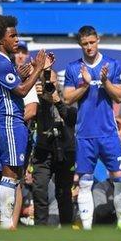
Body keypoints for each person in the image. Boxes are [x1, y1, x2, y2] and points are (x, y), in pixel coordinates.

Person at [63, 25, 121, 230]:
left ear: (98, 40)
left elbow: (119, 95)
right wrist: (84, 85)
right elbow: (67, 99)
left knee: (120, 178)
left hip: (108, 133)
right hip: (85, 135)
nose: (89, 47)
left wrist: (105, 81)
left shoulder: (112, 64)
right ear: (80, 44)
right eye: (85, 44)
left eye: (92, 42)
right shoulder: (74, 68)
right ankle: (87, 227)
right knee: (84, 182)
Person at [0, 16, 49, 229]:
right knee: (11, 173)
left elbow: (15, 87)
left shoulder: (4, 63)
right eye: (11, 36)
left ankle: (5, 222)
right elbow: (21, 91)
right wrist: (38, 69)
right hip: (8, 121)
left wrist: (20, 75)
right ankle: (5, 222)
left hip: (7, 120)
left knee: (12, 174)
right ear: (0, 40)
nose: (16, 39)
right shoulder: (0, 62)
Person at [31, 68, 76, 227]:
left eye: (52, 82)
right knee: (39, 190)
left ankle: (66, 229)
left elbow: (71, 119)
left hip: (66, 149)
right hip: (43, 150)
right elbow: (29, 116)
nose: (49, 85)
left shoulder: (68, 96)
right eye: (45, 82)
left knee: (63, 193)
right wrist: (37, 97)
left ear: (58, 83)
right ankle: (40, 229)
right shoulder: (36, 97)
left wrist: (56, 100)